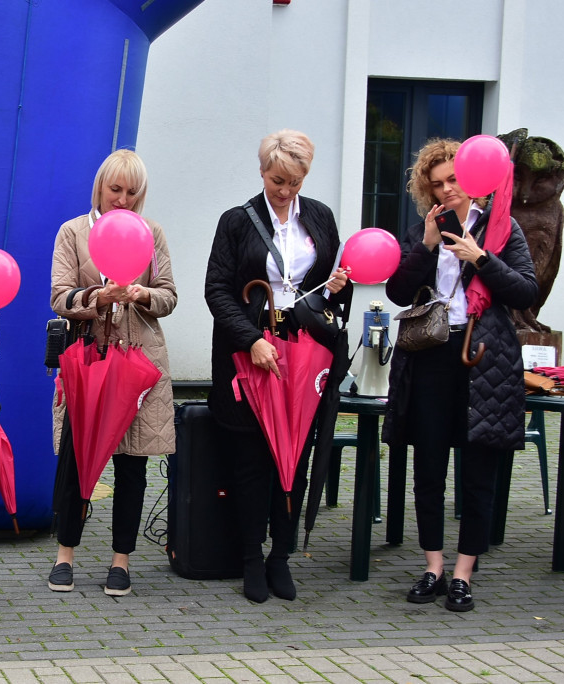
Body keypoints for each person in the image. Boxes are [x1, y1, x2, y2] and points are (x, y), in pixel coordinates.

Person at [382, 138, 538, 612]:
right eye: (436, 185)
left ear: (472, 180)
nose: (446, 191)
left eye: (453, 180)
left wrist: (481, 258)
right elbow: (398, 292)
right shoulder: (421, 231)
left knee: (478, 471)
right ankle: (433, 566)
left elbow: (526, 291)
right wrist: (428, 249)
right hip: (430, 356)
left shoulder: (502, 229)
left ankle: (465, 573)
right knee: (428, 467)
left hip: (484, 360)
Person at [205, 129, 351, 603]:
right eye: (277, 180)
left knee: (297, 456)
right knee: (251, 460)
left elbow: (331, 292)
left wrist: (337, 286)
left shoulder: (321, 218)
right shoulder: (236, 221)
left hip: (305, 351)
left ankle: (280, 557)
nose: (286, 191)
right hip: (252, 354)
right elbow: (218, 290)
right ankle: (250, 556)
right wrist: (250, 341)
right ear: (262, 171)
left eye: (295, 181)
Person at [48, 149, 177, 596]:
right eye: (115, 189)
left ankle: (121, 561)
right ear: (100, 186)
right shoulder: (74, 232)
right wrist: (99, 298)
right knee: (76, 458)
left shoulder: (152, 233)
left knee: (132, 465)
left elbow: (169, 298)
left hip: (140, 362)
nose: (122, 199)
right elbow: (60, 297)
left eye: (131, 192)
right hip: (89, 361)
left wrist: (142, 294)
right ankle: (65, 553)